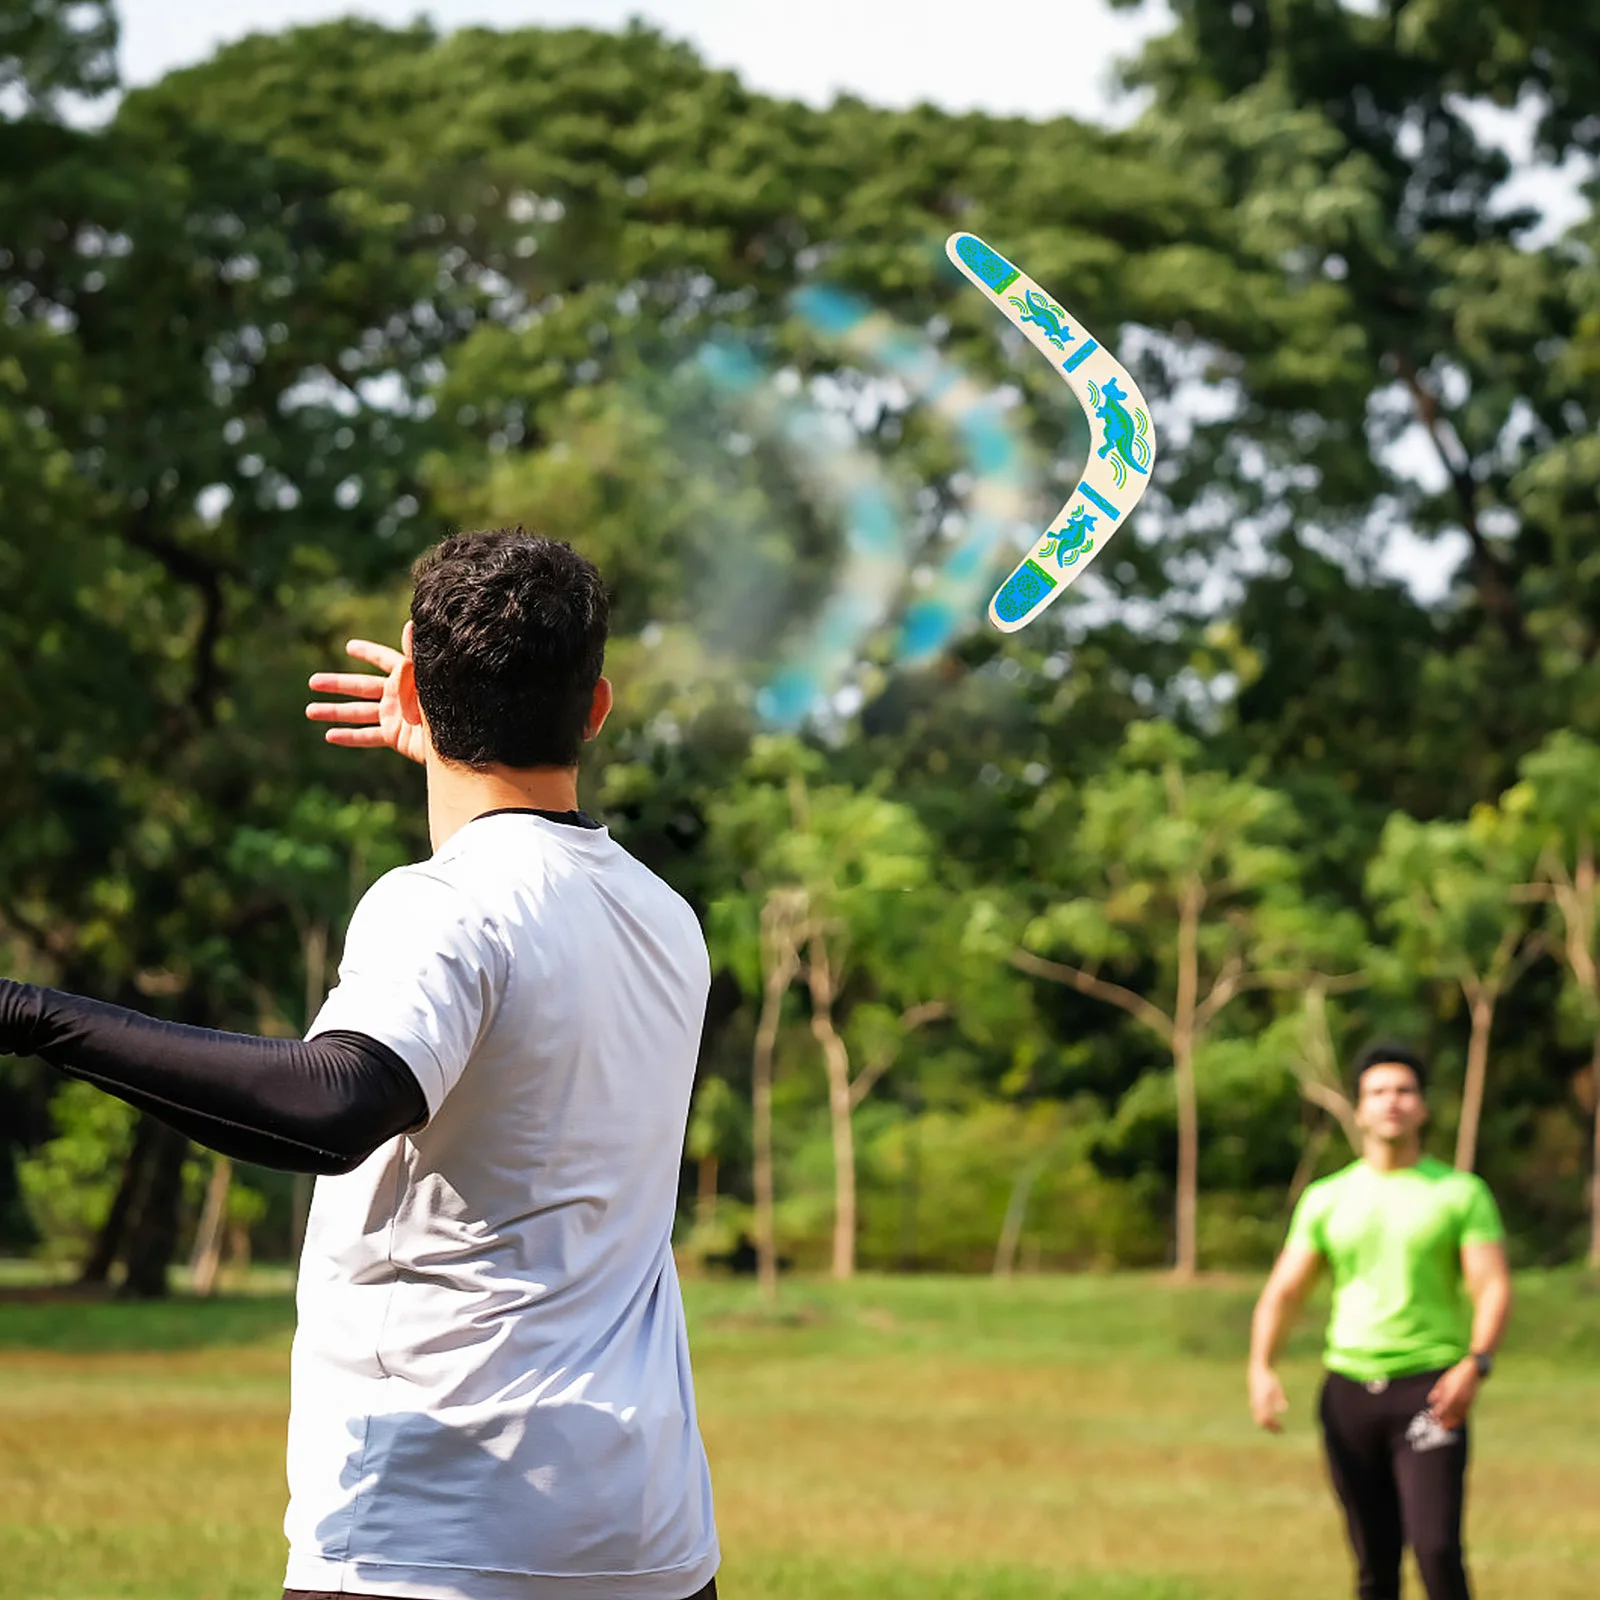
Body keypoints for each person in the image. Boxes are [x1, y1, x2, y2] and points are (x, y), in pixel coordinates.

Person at [0, 530, 721, 1600]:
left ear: (418, 698)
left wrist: (30, 1014)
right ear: (599, 706)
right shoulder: (665, 919)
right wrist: (455, 732)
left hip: (438, 1532)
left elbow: (335, 1101)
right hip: (646, 1537)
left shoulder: (440, 904)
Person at [1248, 1042, 1511, 1600]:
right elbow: (1285, 1291)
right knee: (1374, 1564)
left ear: (1422, 1107)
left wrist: (1476, 1362)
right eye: (1378, 1092)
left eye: (1404, 1090)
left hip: (1431, 1392)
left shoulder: (1460, 1194)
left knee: (1437, 1551)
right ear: (1359, 1109)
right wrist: (1261, 1365)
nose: (1392, 1101)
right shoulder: (1327, 1198)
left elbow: (1491, 1285)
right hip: (1348, 1395)